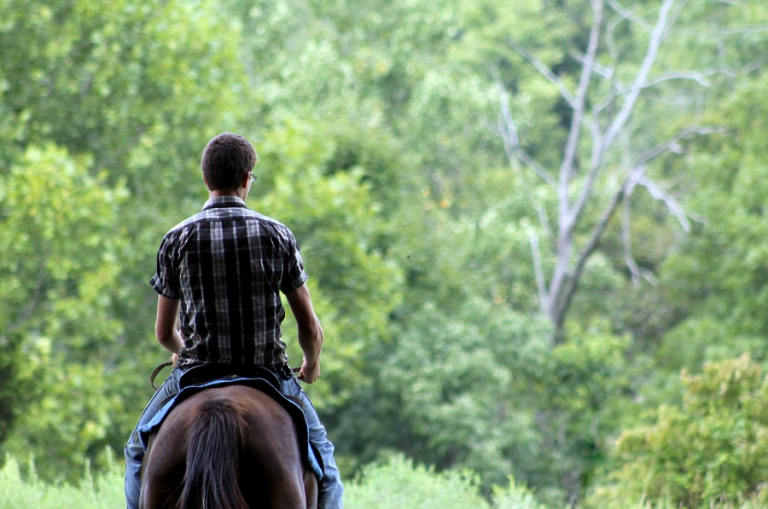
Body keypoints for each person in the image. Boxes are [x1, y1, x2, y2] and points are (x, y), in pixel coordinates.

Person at [124, 132, 343, 509]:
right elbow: (309, 326)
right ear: (246, 178)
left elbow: (163, 332)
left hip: (196, 372)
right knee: (326, 467)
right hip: (266, 374)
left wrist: (180, 351)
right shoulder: (277, 235)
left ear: (205, 178)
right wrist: (311, 363)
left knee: (136, 453)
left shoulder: (176, 238)